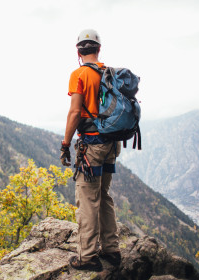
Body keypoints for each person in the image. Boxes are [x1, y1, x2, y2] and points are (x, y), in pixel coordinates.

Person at [60, 28, 119, 269]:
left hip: (91, 146)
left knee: (87, 199)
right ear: (98, 49)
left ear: (78, 51)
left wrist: (65, 144)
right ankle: (112, 250)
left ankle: (88, 257)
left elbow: (75, 112)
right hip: (111, 143)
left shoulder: (79, 74)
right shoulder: (110, 73)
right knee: (103, 196)